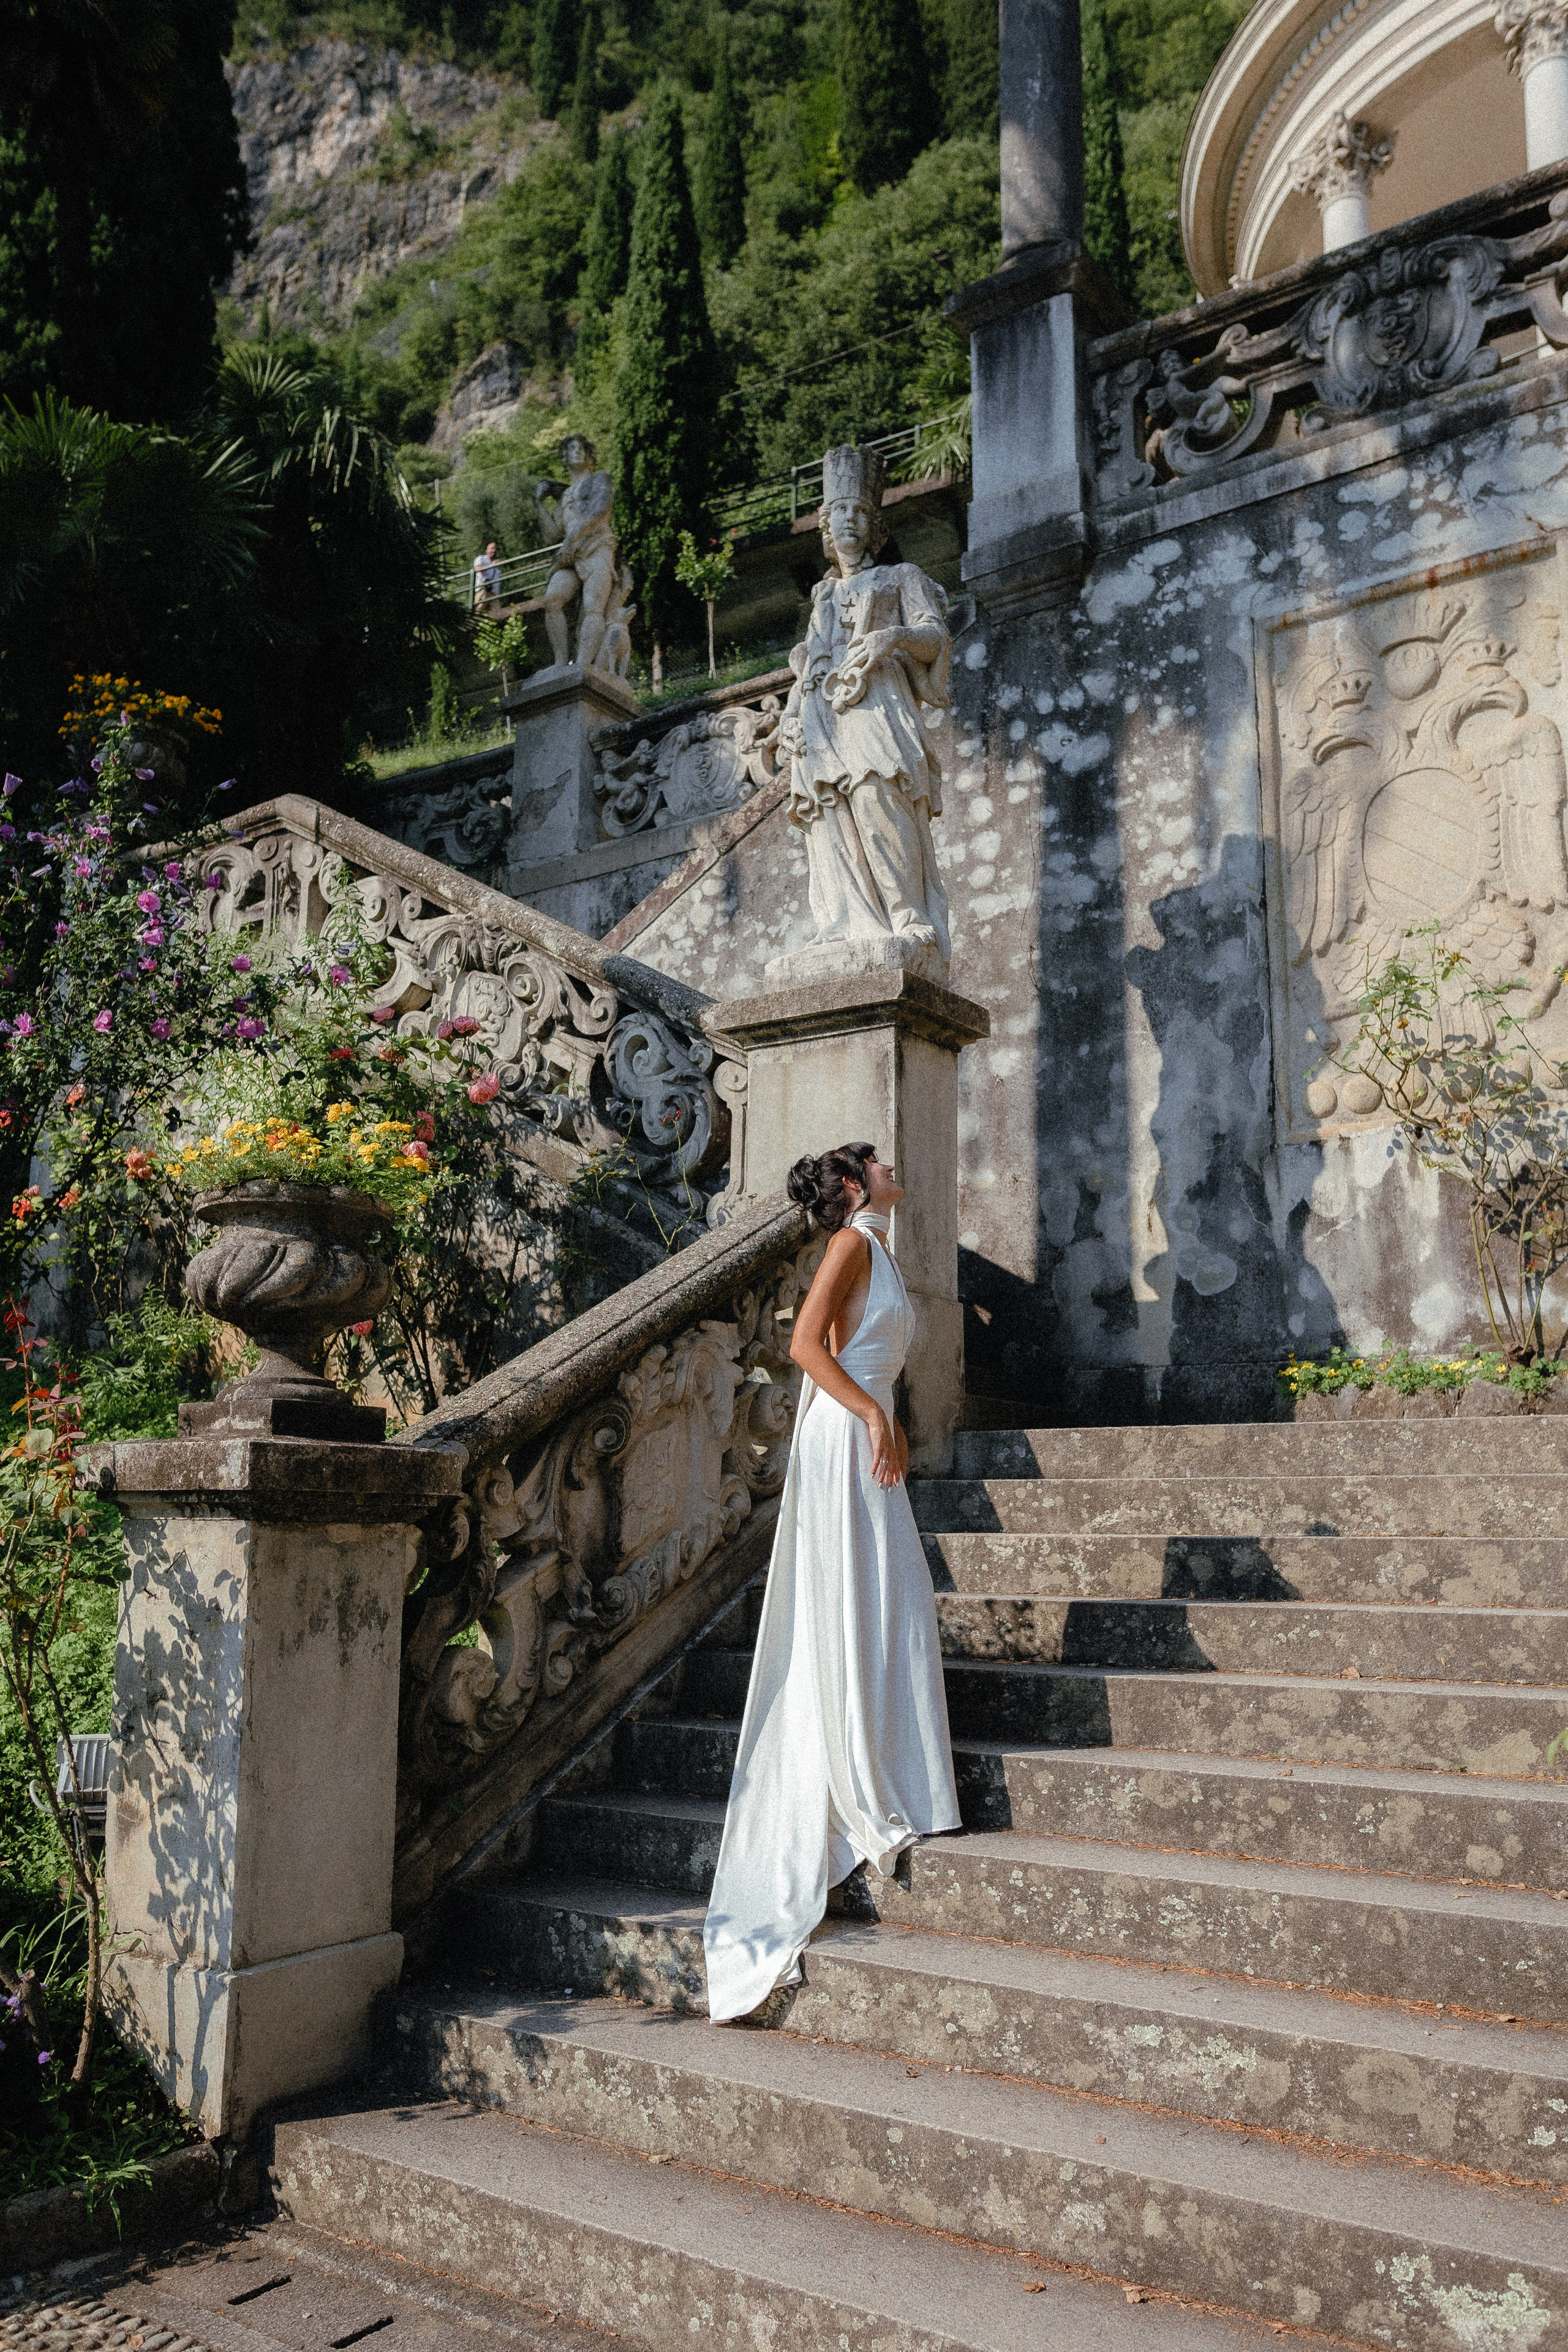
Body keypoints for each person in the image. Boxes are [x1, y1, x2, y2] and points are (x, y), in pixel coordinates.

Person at [702, 1141, 960, 2024]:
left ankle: (889, 1770)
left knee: (888, 1603)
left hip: (861, 1433)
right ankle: (867, 1780)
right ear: (853, 1186)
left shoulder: (879, 1246)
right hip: (843, 1437)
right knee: (868, 1602)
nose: (894, 1164)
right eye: (877, 1161)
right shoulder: (850, 1242)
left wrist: (876, 1412)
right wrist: (870, 1413)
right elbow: (804, 1347)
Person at [778, 443, 952, 960]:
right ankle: (845, 923)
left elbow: (935, 638)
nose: (849, 521)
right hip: (820, 714)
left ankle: (907, 915)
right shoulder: (822, 597)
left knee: (880, 792)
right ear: (826, 530)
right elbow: (809, 664)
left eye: (860, 513)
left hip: (877, 703)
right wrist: (788, 718)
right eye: (839, 514)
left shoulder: (902, 578)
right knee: (829, 810)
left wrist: (891, 638)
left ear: (875, 527)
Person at [543, 434, 619, 671]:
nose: (576, 452)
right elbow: (552, 535)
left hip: (597, 546)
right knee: (552, 600)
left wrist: (573, 537)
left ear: (589, 456)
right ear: (563, 458)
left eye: (581, 448)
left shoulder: (600, 479)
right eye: (570, 449)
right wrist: (539, 504)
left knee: (594, 606)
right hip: (570, 555)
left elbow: (601, 511)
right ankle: (560, 664)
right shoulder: (564, 496)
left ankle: (583, 667)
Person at [473, 541, 501, 613]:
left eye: (495, 549)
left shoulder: (497, 565)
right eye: (492, 548)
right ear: (487, 550)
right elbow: (478, 569)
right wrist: (492, 565)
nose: (494, 551)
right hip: (483, 591)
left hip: (494, 594)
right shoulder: (481, 559)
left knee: (496, 615)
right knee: (478, 612)